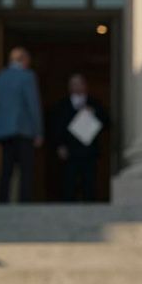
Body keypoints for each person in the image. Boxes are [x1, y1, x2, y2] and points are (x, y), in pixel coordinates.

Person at [0, 47, 43, 203]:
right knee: (26, 169)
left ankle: (2, 200)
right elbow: (33, 105)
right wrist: (38, 132)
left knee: (6, 168)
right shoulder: (27, 77)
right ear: (23, 60)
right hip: (23, 129)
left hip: (3, 131)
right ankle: (24, 201)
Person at [50, 73, 109, 202]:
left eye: (79, 83)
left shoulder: (94, 103)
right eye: (73, 84)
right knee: (69, 184)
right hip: (70, 151)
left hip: (89, 151)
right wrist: (59, 145)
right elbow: (55, 127)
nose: (76, 87)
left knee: (89, 184)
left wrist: (94, 113)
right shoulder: (62, 105)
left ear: (85, 85)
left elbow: (108, 122)